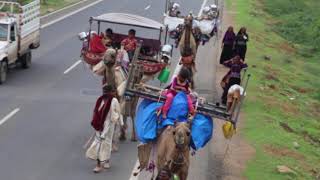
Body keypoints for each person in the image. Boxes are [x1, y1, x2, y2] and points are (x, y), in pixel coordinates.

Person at [86, 84, 123, 173]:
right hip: (100, 126)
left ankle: (106, 161)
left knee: (107, 144)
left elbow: (118, 111)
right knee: (98, 144)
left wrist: (120, 123)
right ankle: (98, 164)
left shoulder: (114, 101)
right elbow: (96, 112)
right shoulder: (100, 100)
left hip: (109, 126)